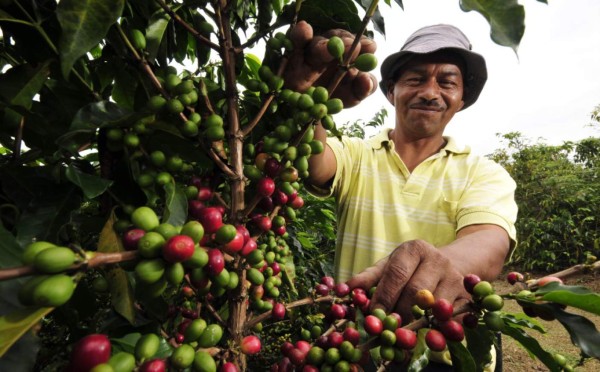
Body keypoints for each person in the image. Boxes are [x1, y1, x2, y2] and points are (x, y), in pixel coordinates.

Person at [285, 22, 518, 371]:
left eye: (446, 81)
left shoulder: (483, 173)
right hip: (360, 350)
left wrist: (435, 262)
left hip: (446, 357)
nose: (430, 91)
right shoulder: (357, 155)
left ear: (461, 99)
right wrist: (307, 94)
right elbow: (316, 162)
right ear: (391, 91)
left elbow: (489, 242)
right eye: (416, 79)